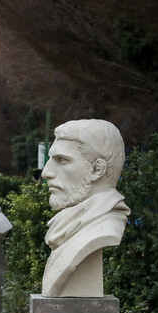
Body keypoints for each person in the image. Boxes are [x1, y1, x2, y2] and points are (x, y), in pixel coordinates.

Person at [41, 119, 130, 297]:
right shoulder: (67, 224)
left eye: (62, 160)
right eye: (51, 159)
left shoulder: (103, 228)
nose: (46, 172)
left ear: (98, 169)